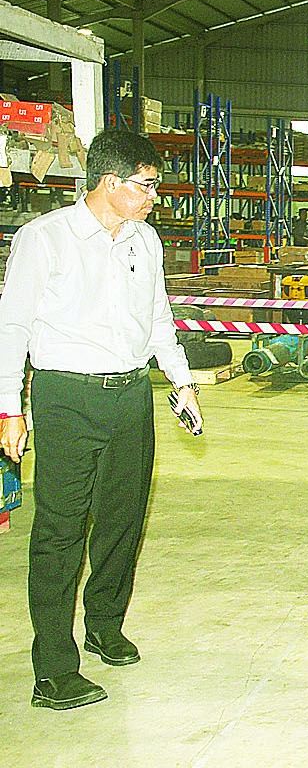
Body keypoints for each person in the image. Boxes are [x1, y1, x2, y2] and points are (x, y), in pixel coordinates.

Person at [0, 129, 202, 710]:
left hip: (131, 396)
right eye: (146, 185)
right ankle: (53, 668)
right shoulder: (45, 238)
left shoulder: (144, 240)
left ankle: (104, 624)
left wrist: (182, 382)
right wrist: (10, 408)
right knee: (60, 530)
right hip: (67, 396)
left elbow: (159, 317)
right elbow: (12, 326)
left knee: (123, 519)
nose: (155, 196)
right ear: (110, 183)